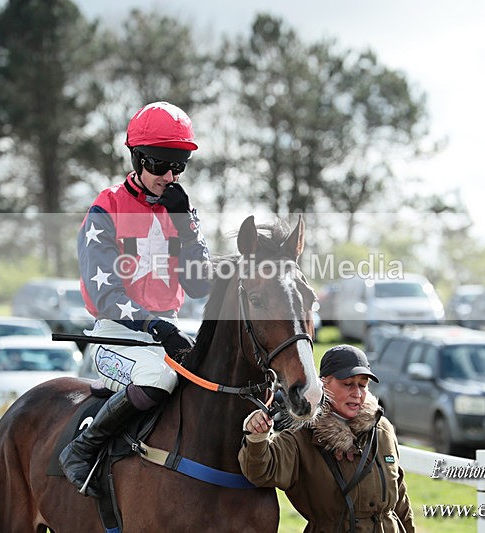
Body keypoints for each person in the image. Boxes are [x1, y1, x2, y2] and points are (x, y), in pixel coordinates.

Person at [59, 101, 211, 497]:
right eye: (160, 165)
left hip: (168, 332)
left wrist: (187, 226)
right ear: (138, 158)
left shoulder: (182, 211)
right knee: (160, 377)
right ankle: (82, 448)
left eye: (179, 167)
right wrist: (153, 324)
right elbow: (105, 294)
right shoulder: (105, 208)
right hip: (117, 336)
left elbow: (201, 286)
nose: (170, 176)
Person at [239, 345, 416, 532]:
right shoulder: (301, 436)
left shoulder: (382, 429)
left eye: (362, 385)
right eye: (348, 384)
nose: (357, 393)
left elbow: (400, 497)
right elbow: (260, 471)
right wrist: (257, 437)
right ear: (323, 384)